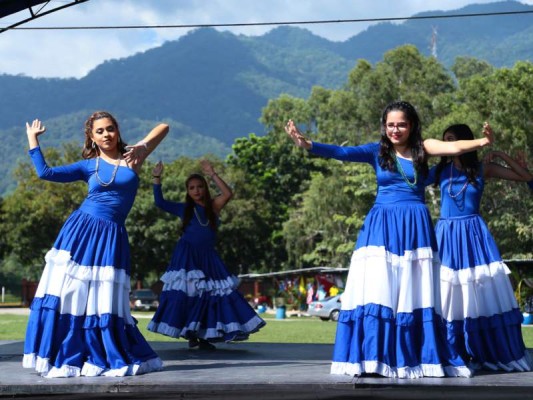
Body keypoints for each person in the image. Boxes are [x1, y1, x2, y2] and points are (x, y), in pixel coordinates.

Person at [285, 100, 494, 379]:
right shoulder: (376, 151)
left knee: (413, 291)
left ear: (412, 126)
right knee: (379, 289)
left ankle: (417, 356)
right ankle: (374, 357)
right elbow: (342, 152)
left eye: (402, 124)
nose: (395, 129)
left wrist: (483, 141)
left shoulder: (424, 148)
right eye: (390, 124)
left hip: (415, 224)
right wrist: (308, 144)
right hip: (382, 224)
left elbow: (454, 147)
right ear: (384, 126)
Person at [23, 112, 169, 378]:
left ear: (117, 130)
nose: (106, 135)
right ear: (92, 137)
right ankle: (65, 350)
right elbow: (45, 173)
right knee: (72, 293)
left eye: (110, 129)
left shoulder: (133, 158)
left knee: (105, 298)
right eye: (99, 131)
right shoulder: (87, 166)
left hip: (112, 237)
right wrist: (33, 140)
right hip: (81, 231)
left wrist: (144, 145)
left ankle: (104, 348)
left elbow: (164, 127)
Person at [430, 124, 533, 372]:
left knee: (479, 293)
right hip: (446, 235)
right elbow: (412, 180)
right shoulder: (441, 170)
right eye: (445, 141)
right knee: (447, 295)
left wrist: (499, 154)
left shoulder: (481, 168)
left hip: (474, 236)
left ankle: (483, 349)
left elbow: (525, 177)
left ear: (465, 141)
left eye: (452, 139)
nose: (448, 145)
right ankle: (452, 350)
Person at [147, 160, 265, 349]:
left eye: (200, 187)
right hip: (187, 257)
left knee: (212, 295)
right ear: (188, 191)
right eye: (192, 188)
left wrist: (212, 174)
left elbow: (228, 193)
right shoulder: (184, 209)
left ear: (205, 188)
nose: (196, 191)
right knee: (188, 294)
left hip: (209, 258)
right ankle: (191, 333)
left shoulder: (213, 207)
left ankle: (205, 335)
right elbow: (159, 202)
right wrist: (156, 177)